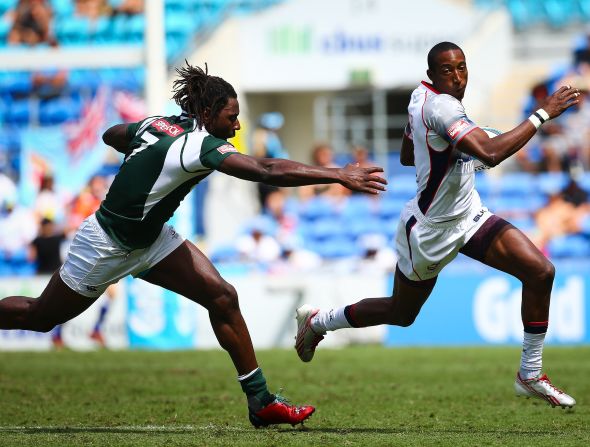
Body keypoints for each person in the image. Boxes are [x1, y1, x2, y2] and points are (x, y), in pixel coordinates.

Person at [0, 62, 387, 427]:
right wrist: (336, 173)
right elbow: (267, 169)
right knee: (40, 317)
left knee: (222, 297)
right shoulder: (200, 145)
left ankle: (261, 402)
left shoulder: (160, 124)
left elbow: (113, 134)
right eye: (230, 117)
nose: (235, 127)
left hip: (150, 239)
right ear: (206, 112)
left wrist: (141, 151)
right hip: (105, 243)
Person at [295, 42, 580, 409]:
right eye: (448, 70)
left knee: (540, 271)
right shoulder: (441, 106)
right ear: (433, 75)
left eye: (462, 67)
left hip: (468, 215)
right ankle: (319, 322)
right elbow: (491, 155)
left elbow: (406, 155)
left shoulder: (421, 95)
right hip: (431, 231)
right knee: (401, 313)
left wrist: (449, 148)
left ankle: (530, 372)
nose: (458, 77)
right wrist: (543, 113)